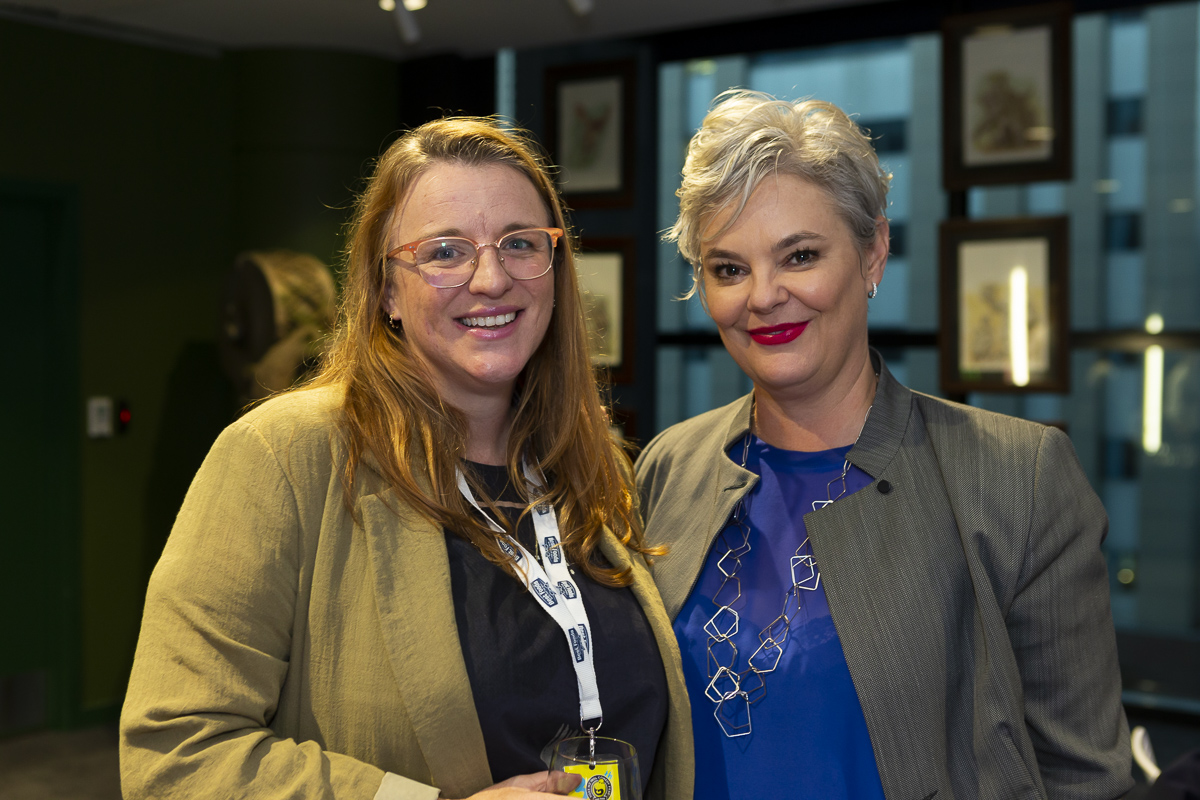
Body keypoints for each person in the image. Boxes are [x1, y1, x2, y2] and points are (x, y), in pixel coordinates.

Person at [120, 118, 693, 800]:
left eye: (519, 243)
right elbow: (175, 753)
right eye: (445, 251)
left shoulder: (595, 463)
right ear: (387, 289)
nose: (491, 278)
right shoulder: (283, 456)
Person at [635, 90, 1132, 800]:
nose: (763, 296)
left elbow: (1086, 779)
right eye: (729, 268)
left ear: (873, 253)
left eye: (799, 255)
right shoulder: (669, 466)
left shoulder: (1017, 477)